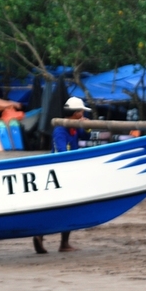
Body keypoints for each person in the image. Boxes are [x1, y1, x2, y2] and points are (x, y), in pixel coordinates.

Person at [32, 96, 92, 254]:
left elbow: (86, 136)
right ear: (76, 113)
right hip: (59, 172)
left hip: (69, 170)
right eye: (81, 111)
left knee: (68, 207)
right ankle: (40, 235)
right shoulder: (60, 129)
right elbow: (60, 152)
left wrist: (86, 126)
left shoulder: (75, 127)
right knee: (56, 206)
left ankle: (63, 243)